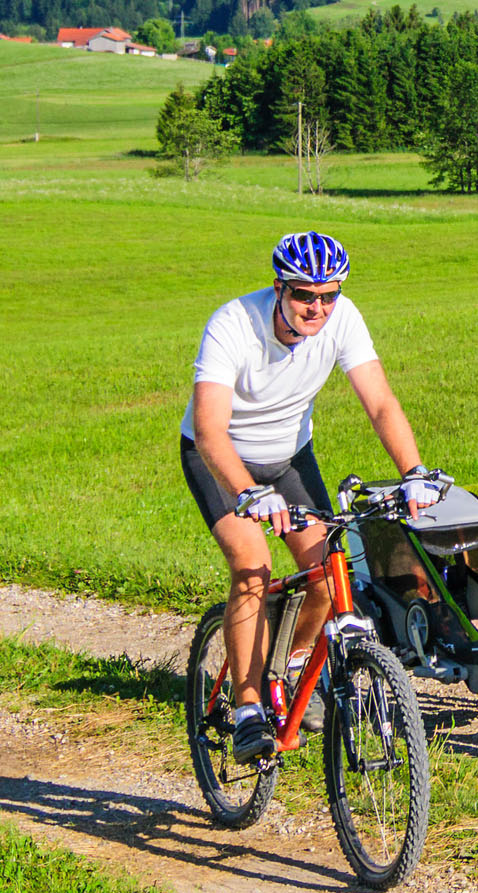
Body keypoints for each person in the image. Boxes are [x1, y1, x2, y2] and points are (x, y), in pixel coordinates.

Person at [182, 231, 444, 764]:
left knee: (330, 567)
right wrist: (248, 494)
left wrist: (414, 471)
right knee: (252, 564)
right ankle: (248, 707)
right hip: (223, 460)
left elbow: (380, 403)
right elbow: (210, 430)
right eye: (305, 295)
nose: (318, 308)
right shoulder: (232, 323)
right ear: (279, 288)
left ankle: (295, 662)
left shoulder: (343, 318)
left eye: (329, 295)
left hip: (288, 458)